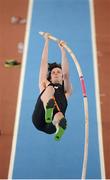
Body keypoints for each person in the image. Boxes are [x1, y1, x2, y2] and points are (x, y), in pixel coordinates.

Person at [32, 33, 73, 141]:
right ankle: (48, 110)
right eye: (53, 72)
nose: (55, 73)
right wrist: (46, 42)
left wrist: (63, 50)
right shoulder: (44, 84)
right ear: (50, 76)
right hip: (39, 118)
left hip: (51, 127)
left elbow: (67, 74)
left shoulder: (66, 91)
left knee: (59, 115)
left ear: (62, 76)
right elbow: (43, 63)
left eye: (58, 72)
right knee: (49, 88)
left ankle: (60, 128)